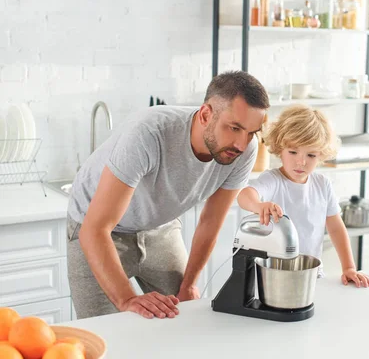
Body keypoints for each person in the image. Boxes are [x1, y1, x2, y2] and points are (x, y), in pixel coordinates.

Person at [66, 71, 269, 319]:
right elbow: (95, 229)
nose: (241, 143)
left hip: (160, 228)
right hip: (97, 228)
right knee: (104, 334)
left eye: (251, 132)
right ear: (206, 114)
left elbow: (210, 223)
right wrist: (127, 299)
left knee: (185, 317)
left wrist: (189, 285)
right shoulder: (148, 133)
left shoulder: (243, 151)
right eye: (234, 128)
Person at [237, 105, 369, 287]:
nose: (301, 161)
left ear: (321, 155)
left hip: (312, 274)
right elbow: (245, 195)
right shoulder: (273, 180)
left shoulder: (323, 185)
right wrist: (258, 206)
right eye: (293, 152)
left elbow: (336, 228)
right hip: (275, 277)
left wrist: (349, 267)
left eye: (311, 155)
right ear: (280, 148)